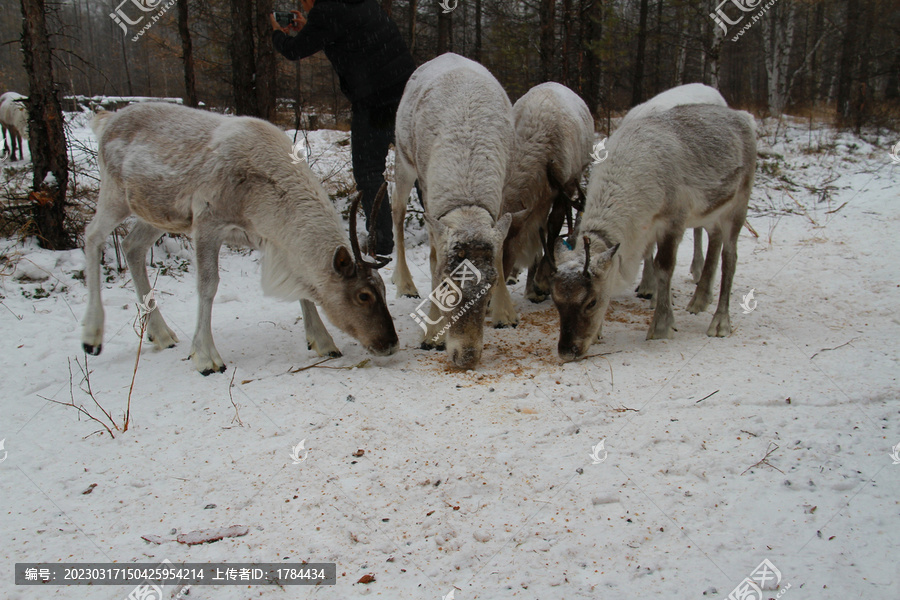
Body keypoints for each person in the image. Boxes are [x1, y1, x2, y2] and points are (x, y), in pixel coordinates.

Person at [270, 0, 415, 256]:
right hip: (408, 93)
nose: (304, 6)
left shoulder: (326, 11)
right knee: (422, 167)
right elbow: (347, 38)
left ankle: (381, 243)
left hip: (374, 102)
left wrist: (277, 33)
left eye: (304, 1)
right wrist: (308, 26)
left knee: (368, 172)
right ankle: (449, 229)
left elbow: (294, 50)